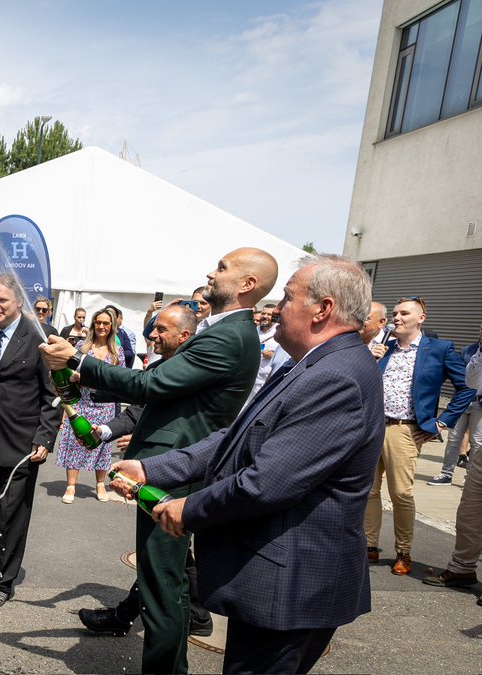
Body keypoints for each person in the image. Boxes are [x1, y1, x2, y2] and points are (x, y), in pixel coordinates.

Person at [109, 254, 384, 674]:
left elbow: (266, 482)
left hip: (290, 586)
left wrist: (188, 510)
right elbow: (235, 439)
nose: (273, 309)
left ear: (323, 309)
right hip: (280, 581)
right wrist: (153, 470)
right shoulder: (313, 364)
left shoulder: (336, 376)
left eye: (288, 299)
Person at [41, 247, 277, 674]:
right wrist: (81, 377)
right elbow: (161, 392)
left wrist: (77, 360)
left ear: (248, 284)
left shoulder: (230, 334)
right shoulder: (224, 331)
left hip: (176, 469)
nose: (211, 272)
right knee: (163, 575)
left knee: (163, 584)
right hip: (174, 464)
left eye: (222, 268)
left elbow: (154, 383)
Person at [79, 304, 213, 638]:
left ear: (184, 335)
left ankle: (134, 619)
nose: (151, 335)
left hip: (180, 469)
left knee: (163, 549)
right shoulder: (163, 364)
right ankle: (192, 613)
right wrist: (105, 431)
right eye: (152, 328)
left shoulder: (192, 369)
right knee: (171, 548)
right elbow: (139, 409)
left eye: (160, 330)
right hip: (155, 468)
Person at [0, 274, 58, 610]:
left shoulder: (39, 337)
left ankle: (3, 583)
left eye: (2, 300)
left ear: (19, 301)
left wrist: (45, 436)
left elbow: (53, 394)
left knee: (11, 513)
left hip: (22, 443)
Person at [365, 296, 474, 573]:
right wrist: (370, 360)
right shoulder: (383, 348)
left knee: (401, 492)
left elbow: (468, 387)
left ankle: (403, 552)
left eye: (404, 313)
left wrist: (441, 422)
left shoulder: (439, 349)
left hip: (404, 430)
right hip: (371, 427)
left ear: (421, 318)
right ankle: (369, 546)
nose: (397, 318)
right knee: (368, 490)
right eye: (395, 313)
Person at [56, 308, 123, 504]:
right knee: (76, 443)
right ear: (93, 324)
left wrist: (87, 377)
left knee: (102, 443)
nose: (102, 326)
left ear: (112, 326)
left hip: (105, 404)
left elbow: (120, 380)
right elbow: (68, 372)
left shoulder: (116, 351)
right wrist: (73, 377)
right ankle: (71, 486)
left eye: (106, 323)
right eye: (98, 322)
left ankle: (100, 484)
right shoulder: (81, 347)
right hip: (82, 401)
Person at [429, 321, 482, 486]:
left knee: (477, 441)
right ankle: (446, 473)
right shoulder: (469, 349)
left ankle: (470, 478)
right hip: (462, 401)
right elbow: (456, 372)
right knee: (453, 438)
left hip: (480, 405)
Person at [246, 303, 279, 402]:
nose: (265, 316)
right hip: (248, 378)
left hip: (265, 380)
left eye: (269, 314)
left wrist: (273, 355)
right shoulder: (252, 330)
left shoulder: (278, 333)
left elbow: (285, 355)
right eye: (263, 313)